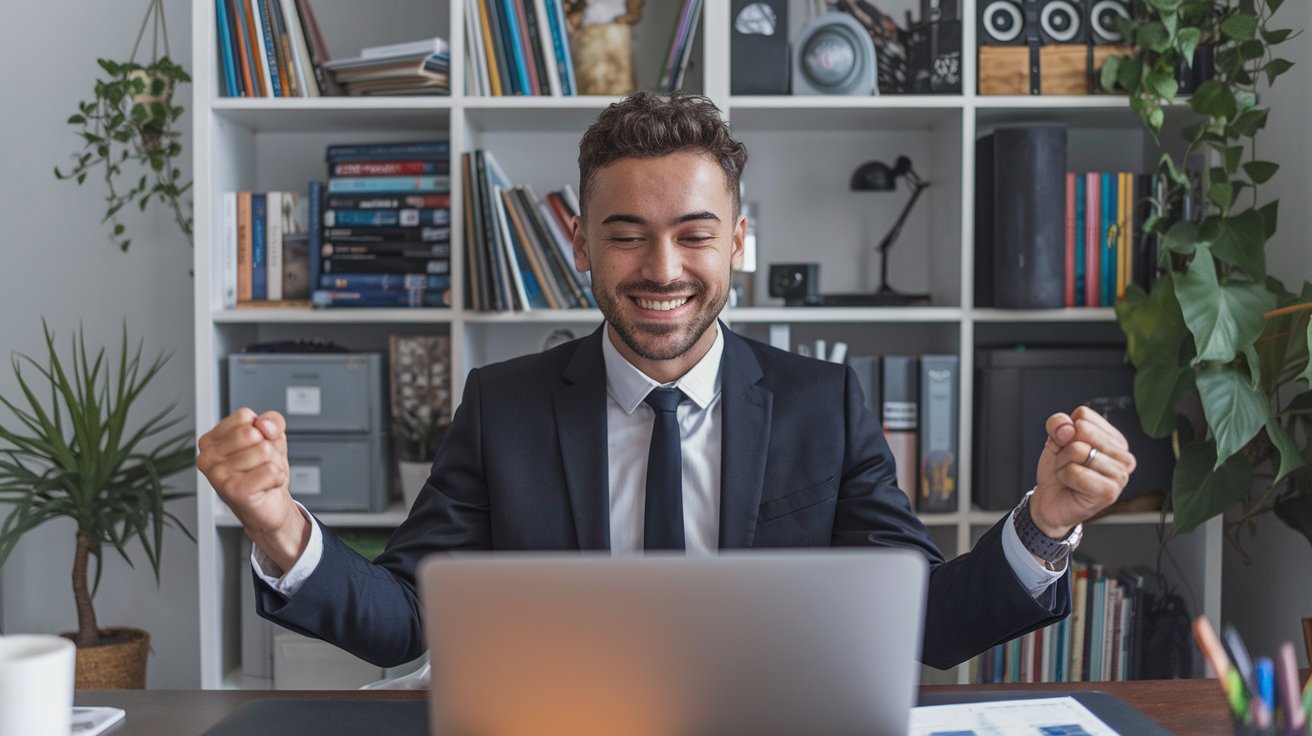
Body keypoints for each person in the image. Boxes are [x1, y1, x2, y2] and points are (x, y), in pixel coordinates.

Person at [197, 92, 1137, 671]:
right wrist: (280, 528)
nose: (662, 269)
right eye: (626, 236)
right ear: (581, 244)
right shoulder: (504, 407)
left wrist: (1046, 524)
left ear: (737, 241)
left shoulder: (822, 404)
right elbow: (405, 618)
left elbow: (921, 622)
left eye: (694, 234)